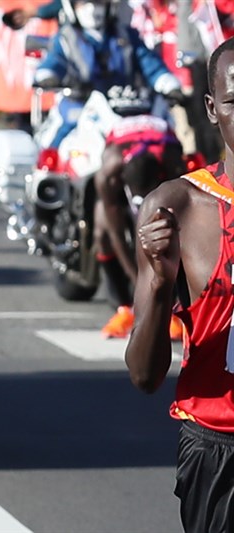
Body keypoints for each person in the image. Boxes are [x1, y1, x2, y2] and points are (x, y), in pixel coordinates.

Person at [124, 37, 234, 533]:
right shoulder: (177, 207)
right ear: (212, 109)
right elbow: (144, 376)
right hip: (218, 445)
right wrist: (159, 282)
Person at [33, 0, 184, 150]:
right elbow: (54, 61)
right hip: (80, 102)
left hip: (125, 104)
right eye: (83, 4)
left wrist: (168, 84)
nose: (91, 10)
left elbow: (149, 63)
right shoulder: (65, 38)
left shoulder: (126, 34)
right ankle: (49, 168)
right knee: (56, 140)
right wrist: (47, 76)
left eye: (98, 2)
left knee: (165, 135)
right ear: (72, 7)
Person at [94, 113, 187, 338]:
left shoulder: (174, 163)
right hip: (125, 148)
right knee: (101, 229)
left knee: (176, 231)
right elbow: (114, 228)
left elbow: (186, 220)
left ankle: (176, 308)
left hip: (163, 151)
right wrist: (137, 281)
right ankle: (124, 308)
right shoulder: (109, 170)